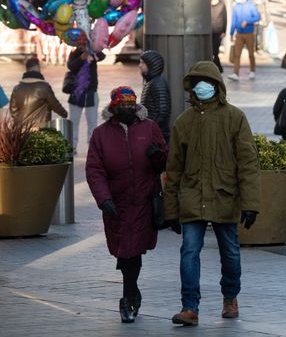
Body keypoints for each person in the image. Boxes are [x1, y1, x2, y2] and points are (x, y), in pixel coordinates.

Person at [164, 61, 261, 326]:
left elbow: (248, 163)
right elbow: (173, 169)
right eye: (196, 82)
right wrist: (171, 209)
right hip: (193, 197)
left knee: (229, 252)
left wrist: (251, 203)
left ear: (217, 85)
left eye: (206, 82)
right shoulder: (183, 122)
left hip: (224, 196)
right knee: (189, 252)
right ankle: (189, 307)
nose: (201, 87)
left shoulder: (235, 117)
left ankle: (230, 297)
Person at [85, 86, 167, 323]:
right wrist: (104, 199)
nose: (127, 109)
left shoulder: (149, 128)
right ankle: (132, 290)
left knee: (134, 250)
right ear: (113, 107)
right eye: (122, 105)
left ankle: (128, 296)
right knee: (124, 250)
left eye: (131, 105)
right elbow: (94, 170)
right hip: (116, 203)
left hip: (143, 201)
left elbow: (164, 161)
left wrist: (157, 155)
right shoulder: (101, 134)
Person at [10, 57, 68, 130]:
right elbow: (55, 104)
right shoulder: (44, 87)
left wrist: (20, 122)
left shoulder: (17, 88)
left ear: (27, 69)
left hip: (22, 129)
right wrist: (64, 113)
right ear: (38, 67)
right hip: (40, 128)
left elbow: (13, 110)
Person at [67, 45, 104, 152]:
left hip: (91, 92)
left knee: (92, 122)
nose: (83, 45)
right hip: (76, 92)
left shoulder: (93, 51)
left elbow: (102, 56)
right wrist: (81, 58)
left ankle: (92, 147)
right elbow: (70, 66)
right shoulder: (75, 53)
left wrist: (93, 50)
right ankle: (72, 146)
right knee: (74, 121)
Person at [139, 50, 172, 144]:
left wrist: (150, 127)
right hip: (154, 131)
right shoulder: (152, 82)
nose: (139, 66)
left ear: (151, 65)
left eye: (143, 63)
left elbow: (163, 111)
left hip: (157, 133)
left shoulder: (157, 83)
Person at [228, 0, 261, 81]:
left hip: (249, 33)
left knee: (251, 53)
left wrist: (248, 21)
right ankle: (235, 73)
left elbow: (258, 17)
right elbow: (233, 21)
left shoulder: (251, 6)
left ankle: (252, 71)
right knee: (237, 54)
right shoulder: (236, 7)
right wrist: (231, 33)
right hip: (239, 33)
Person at [210, 0, 227, 73]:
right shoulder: (208, 5)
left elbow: (225, 18)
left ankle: (218, 68)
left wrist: (224, 31)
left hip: (218, 31)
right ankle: (218, 68)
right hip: (210, 31)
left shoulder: (222, 5)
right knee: (212, 51)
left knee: (215, 51)